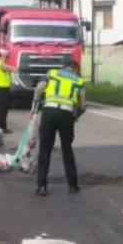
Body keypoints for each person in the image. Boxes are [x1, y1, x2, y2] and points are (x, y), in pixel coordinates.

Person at [31, 59, 86, 196]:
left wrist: (35, 108)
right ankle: (73, 186)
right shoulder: (79, 81)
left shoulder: (52, 73)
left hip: (49, 112)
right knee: (67, 149)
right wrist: (74, 116)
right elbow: (83, 105)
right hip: (66, 114)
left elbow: (38, 89)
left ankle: (42, 186)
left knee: (45, 149)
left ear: (64, 67)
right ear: (75, 70)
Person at [0, 48, 17, 134]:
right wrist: (14, 68)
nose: (7, 58)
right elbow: (4, 68)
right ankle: (2, 127)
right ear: (3, 56)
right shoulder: (0, 64)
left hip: (2, 89)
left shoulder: (0, 63)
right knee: (3, 109)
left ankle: (1, 126)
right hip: (2, 89)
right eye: (7, 57)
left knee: (2, 108)